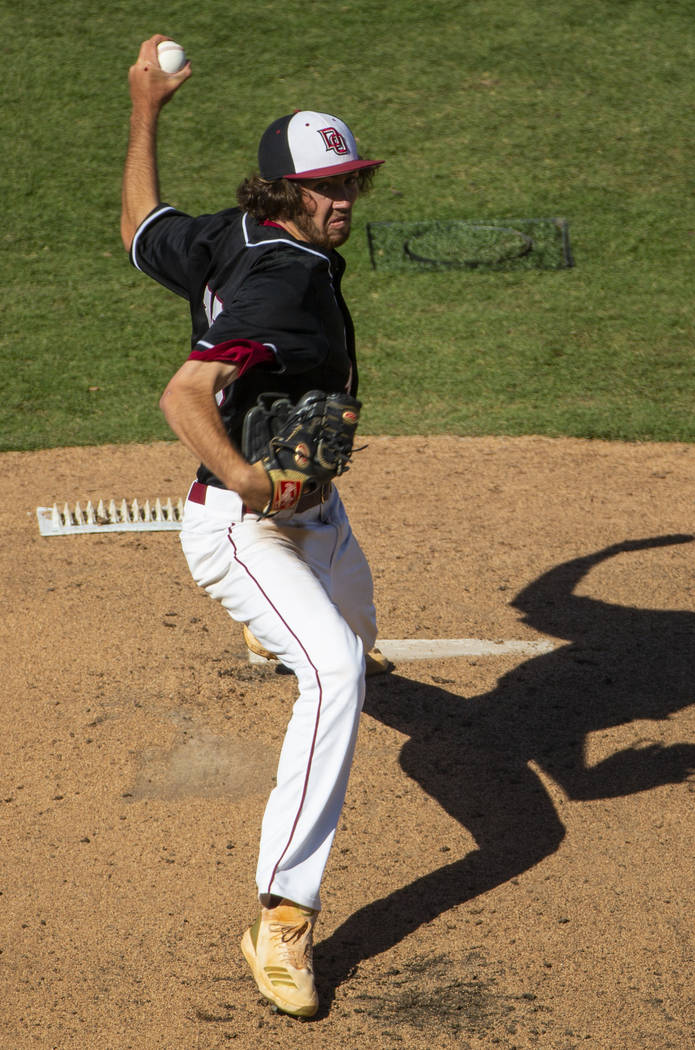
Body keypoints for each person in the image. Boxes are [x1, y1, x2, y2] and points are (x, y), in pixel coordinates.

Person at [121, 34, 384, 1018]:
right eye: (326, 187)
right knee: (335, 670)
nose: (345, 199)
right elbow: (185, 392)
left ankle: (278, 621)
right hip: (243, 523)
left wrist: (145, 108)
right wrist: (242, 478)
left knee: (357, 633)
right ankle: (283, 913)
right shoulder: (283, 282)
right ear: (282, 190)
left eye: (352, 179)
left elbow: (144, 229)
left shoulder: (231, 234)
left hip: (315, 520)